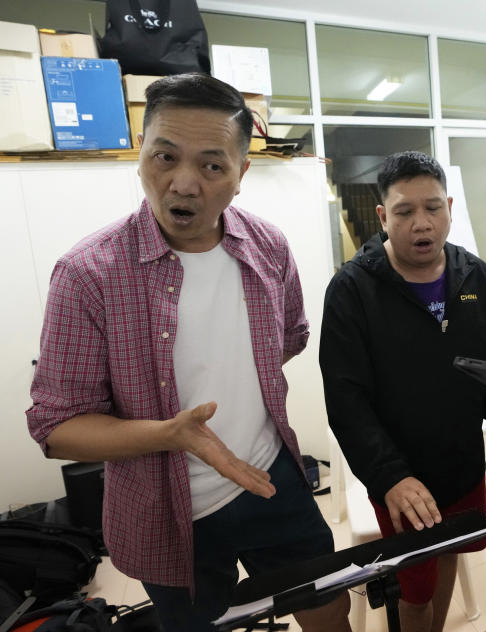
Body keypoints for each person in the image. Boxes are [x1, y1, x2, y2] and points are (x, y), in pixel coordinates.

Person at [26, 73, 349, 632]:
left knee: (328, 608)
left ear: (241, 174)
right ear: (141, 156)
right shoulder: (88, 274)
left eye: (211, 164)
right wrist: (168, 434)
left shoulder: (268, 245)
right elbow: (56, 429)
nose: (183, 183)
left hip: (272, 476)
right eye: (165, 156)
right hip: (165, 511)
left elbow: (289, 337)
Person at [319, 151, 486, 632]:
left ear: (449, 207)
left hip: (461, 459)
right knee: (413, 590)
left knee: (451, 552)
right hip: (402, 476)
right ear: (384, 217)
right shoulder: (353, 289)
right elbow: (346, 400)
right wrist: (389, 477)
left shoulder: (473, 273)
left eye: (432, 208)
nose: (421, 224)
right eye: (405, 212)